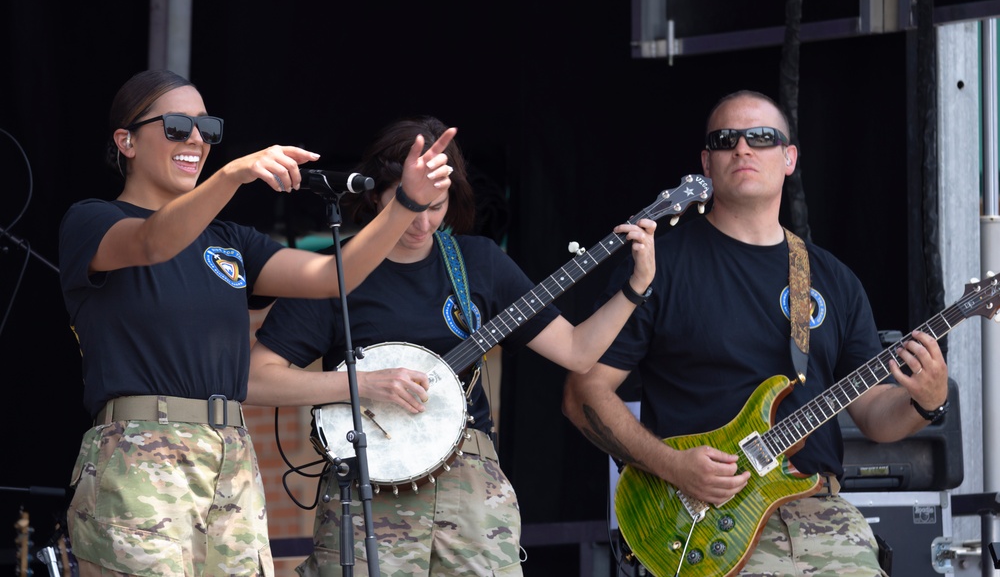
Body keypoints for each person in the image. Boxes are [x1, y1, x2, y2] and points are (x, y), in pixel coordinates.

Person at [58, 69, 455, 577]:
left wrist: (405, 205)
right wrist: (233, 174)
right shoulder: (91, 221)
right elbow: (152, 242)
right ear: (126, 141)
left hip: (231, 456)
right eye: (178, 125)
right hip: (139, 454)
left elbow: (333, 275)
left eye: (208, 129)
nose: (197, 139)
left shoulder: (231, 239)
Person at [245, 114, 658, 577]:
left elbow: (578, 352)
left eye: (436, 206)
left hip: (470, 485)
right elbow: (256, 379)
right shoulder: (333, 273)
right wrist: (362, 384)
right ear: (377, 195)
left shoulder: (478, 262)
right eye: (408, 204)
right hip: (369, 486)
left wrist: (635, 288)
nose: (422, 223)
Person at [562, 90, 952, 577]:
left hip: (819, 516)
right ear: (706, 162)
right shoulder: (658, 265)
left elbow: (875, 416)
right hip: (700, 523)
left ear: (789, 158)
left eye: (762, 138)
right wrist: (672, 466)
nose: (743, 149)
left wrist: (926, 403)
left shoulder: (831, 278)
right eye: (726, 140)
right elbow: (584, 393)